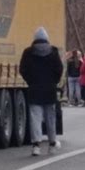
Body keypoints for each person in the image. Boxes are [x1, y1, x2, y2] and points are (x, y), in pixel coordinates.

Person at [19, 27, 63, 156]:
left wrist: (30, 81)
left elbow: (23, 69)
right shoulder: (53, 52)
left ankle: (36, 145)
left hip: (34, 89)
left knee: (35, 118)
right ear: (46, 38)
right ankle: (52, 143)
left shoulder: (28, 52)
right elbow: (59, 69)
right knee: (50, 117)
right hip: (49, 89)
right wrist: (54, 82)